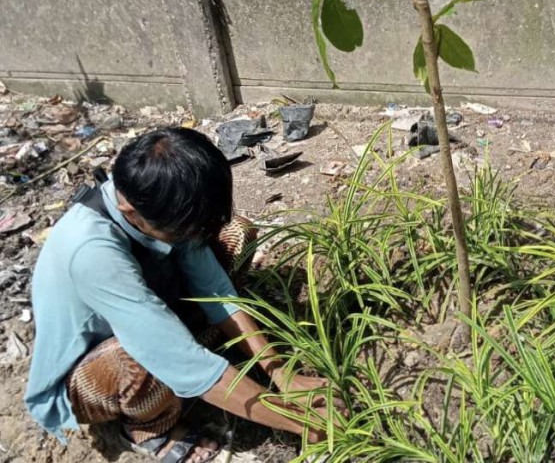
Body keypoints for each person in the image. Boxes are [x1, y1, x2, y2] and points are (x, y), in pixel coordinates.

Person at [25, 127, 331, 463]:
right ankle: (149, 426)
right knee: (131, 359)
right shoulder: (92, 253)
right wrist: (297, 419)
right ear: (130, 212)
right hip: (94, 373)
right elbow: (182, 364)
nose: (191, 236)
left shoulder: (161, 198)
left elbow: (216, 291)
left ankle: (206, 358)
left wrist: (281, 372)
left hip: (155, 315)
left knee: (236, 233)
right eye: (182, 230)